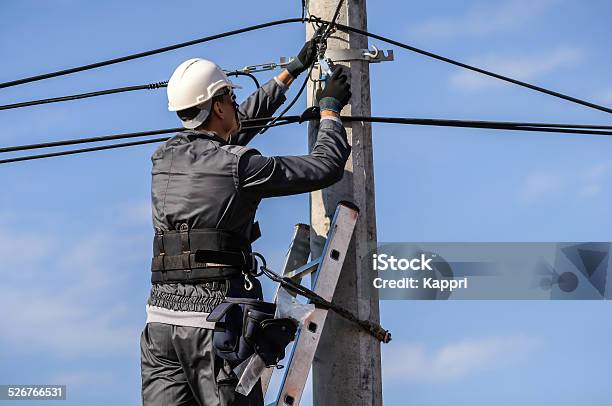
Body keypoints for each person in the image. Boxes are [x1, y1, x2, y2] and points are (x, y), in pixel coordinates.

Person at [140, 39, 352, 406]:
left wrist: (290, 73)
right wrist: (330, 112)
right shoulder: (240, 165)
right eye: (231, 99)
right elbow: (324, 168)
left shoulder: (165, 159)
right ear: (218, 105)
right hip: (215, 329)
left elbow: (231, 131)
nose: (236, 106)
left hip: (161, 328)